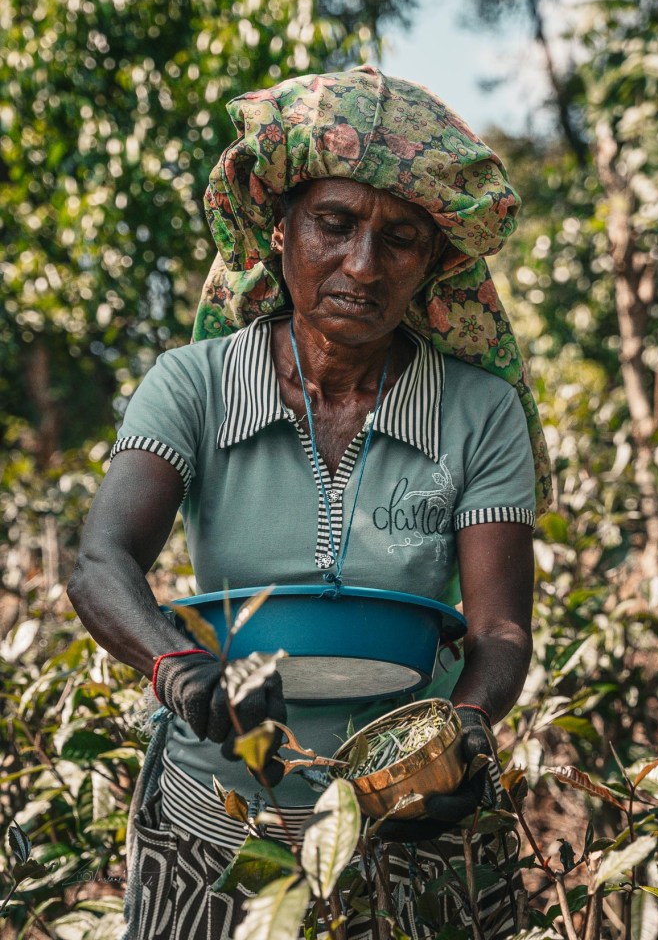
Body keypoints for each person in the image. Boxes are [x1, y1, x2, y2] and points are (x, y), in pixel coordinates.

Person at [67, 66, 552, 940]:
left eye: (399, 239)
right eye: (333, 224)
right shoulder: (194, 385)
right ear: (279, 228)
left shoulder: (478, 411)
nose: (361, 266)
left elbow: (499, 629)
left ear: (434, 263)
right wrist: (178, 669)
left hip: (407, 818)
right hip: (218, 814)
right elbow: (102, 561)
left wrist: (467, 729)